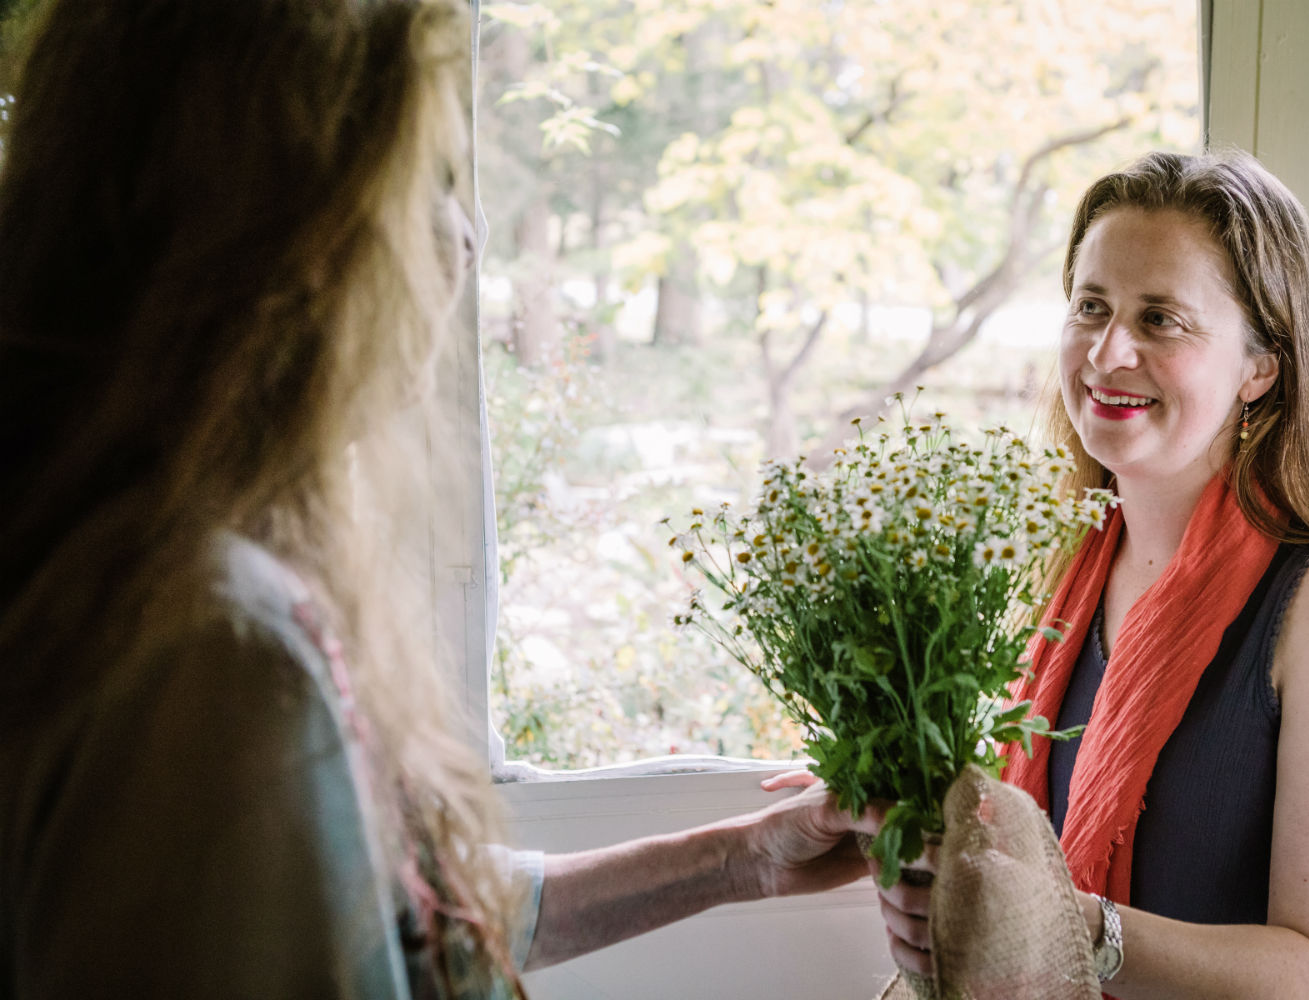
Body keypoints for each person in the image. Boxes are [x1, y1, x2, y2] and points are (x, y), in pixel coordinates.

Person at [0, 2, 880, 998]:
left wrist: (744, 857)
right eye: (427, 178)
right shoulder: (220, 653)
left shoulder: (146, 561)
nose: (466, 240)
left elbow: (396, 914)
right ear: (287, 233)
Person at [871, 151, 1309, 997]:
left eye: (1161, 318)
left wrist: (1071, 924)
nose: (1108, 349)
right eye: (1090, 305)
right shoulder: (1058, 563)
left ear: (1259, 367)